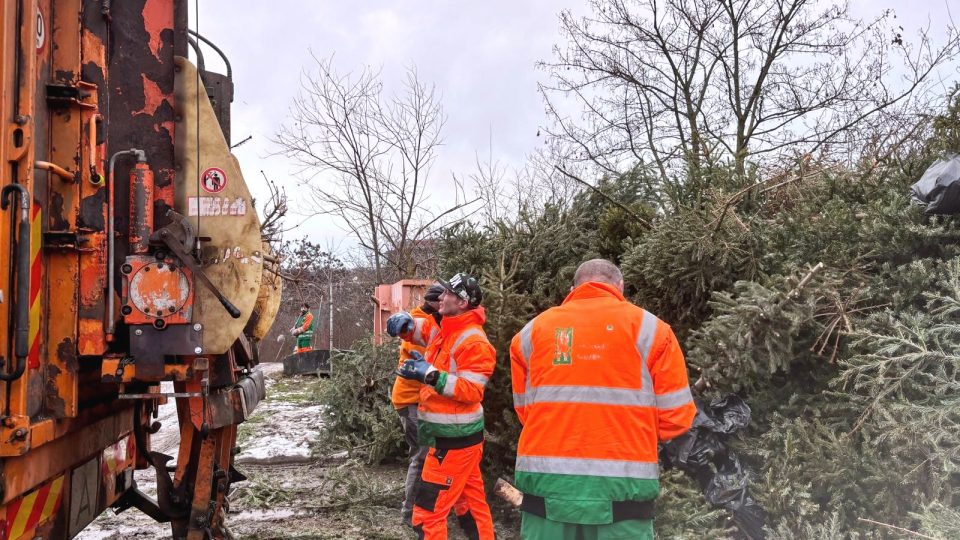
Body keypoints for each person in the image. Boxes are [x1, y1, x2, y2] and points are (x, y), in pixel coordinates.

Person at [509, 259, 696, 540]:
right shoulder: (653, 331)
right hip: (623, 496)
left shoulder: (530, 334)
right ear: (619, 287)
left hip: (547, 493)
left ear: (573, 288)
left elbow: (526, 412)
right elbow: (676, 419)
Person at [388, 273, 496, 540]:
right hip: (453, 438)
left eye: (447, 294)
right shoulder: (447, 328)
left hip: (454, 441)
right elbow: (423, 330)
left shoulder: (474, 342)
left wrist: (430, 375)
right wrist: (405, 324)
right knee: (470, 503)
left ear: (461, 302)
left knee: (427, 514)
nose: (440, 298)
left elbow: (472, 391)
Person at [388, 284, 445, 526]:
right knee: (421, 455)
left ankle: (424, 507)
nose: (444, 304)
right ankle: (409, 512)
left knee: (426, 454)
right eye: (440, 301)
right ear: (432, 303)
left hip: (419, 400)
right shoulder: (419, 323)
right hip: (410, 400)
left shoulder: (430, 320)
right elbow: (435, 361)